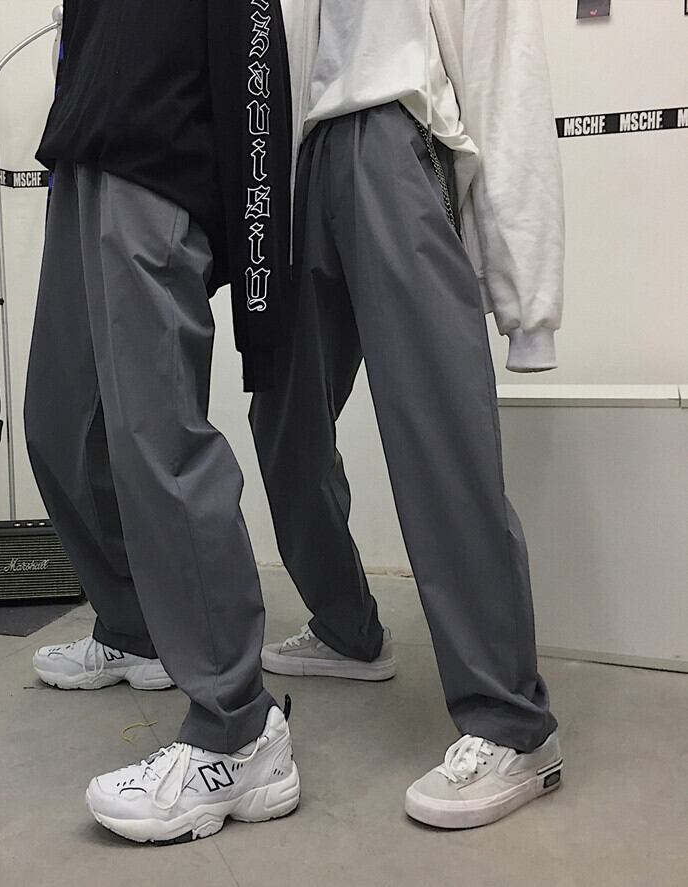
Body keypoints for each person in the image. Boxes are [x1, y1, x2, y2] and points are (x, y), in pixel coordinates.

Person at [251, 0, 565, 829]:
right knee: (284, 423)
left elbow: (505, 73)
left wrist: (528, 308)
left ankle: (513, 723)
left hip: (397, 138)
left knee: (438, 440)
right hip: (309, 162)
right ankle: (349, 628)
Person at [23, 0, 299, 844]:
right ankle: (134, 628)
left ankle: (238, 725)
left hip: (161, 158)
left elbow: (256, 60)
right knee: (58, 426)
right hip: (81, 153)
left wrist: (260, 289)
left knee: (158, 439)